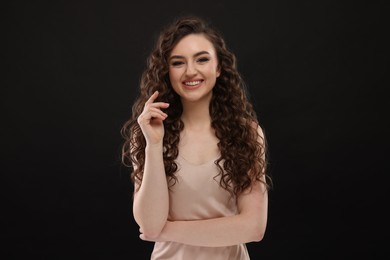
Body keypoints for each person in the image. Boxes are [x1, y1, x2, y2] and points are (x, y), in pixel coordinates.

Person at [120, 15, 272, 260]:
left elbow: (253, 227)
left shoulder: (247, 133)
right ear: (167, 71)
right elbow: (149, 223)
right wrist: (154, 144)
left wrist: (167, 230)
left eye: (202, 59)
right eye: (178, 63)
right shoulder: (148, 132)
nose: (191, 71)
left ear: (219, 67)